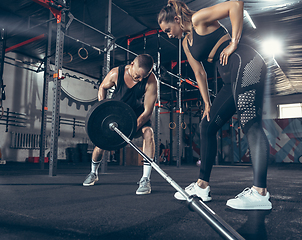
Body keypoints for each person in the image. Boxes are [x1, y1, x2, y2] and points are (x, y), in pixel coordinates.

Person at [158, 0, 271, 210]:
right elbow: (199, 73)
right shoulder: (185, 44)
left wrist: (234, 42)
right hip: (229, 80)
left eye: (167, 30)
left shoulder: (198, 19)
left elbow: (236, 4)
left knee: (250, 124)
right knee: (207, 126)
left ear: (176, 20)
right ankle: (202, 186)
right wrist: (207, 103)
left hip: (245, 62)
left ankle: (260, 192)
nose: (168, 34)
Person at [83, 54, 158, 195]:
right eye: (137, 76)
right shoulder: (116, 73)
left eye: (144, 76)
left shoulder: (151, 81)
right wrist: (102, 108)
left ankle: (145, 179)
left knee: (149, 133)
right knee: (100, 145)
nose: (140, 79)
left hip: (138, 115)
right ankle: (93, 173)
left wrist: (130, 129)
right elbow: (102, 87)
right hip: (116, 114)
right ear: (131, 65)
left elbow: (147, 112)